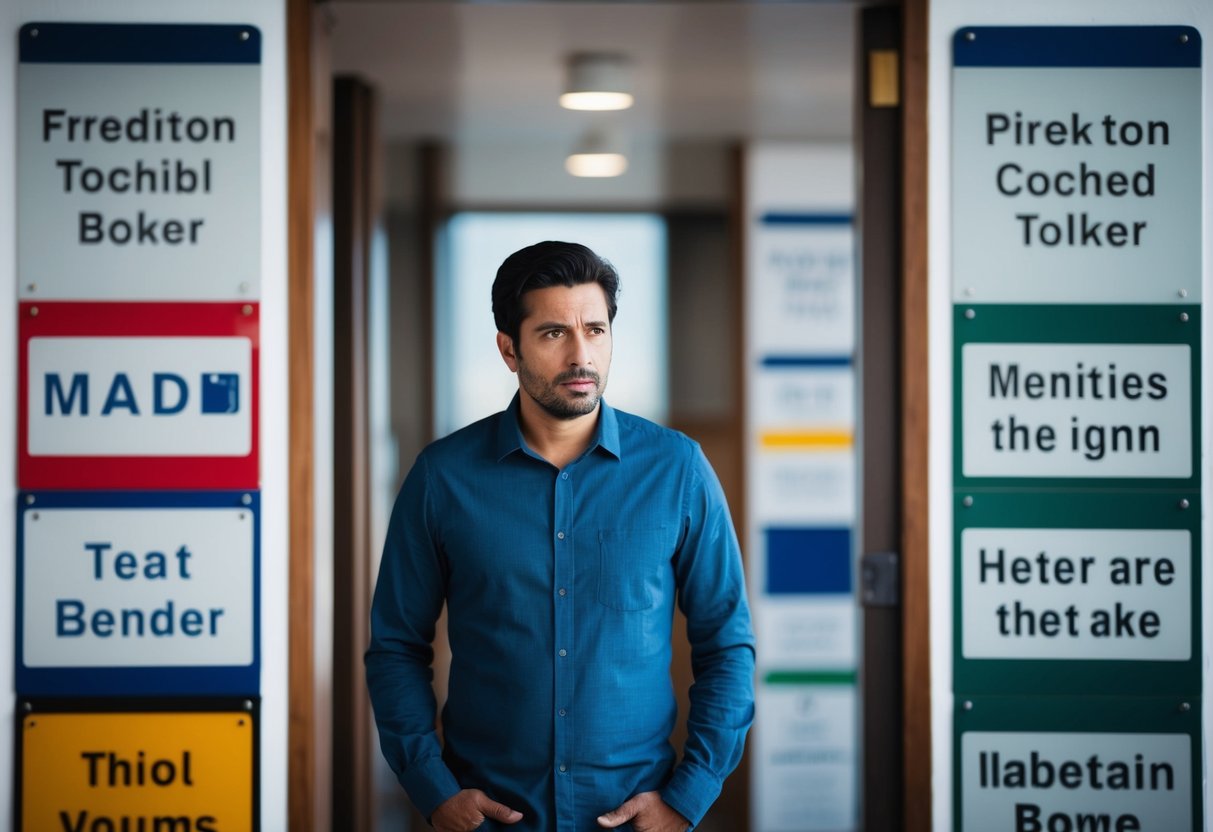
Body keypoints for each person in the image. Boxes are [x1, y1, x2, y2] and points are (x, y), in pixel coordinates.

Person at [366, 241, 755, 832]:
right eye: (553, 334)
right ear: (508, 349)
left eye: (595, 330)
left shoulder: (678, 471)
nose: (582, 355)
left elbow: (726, 643)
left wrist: (688, 796)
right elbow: (396, 645)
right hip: (489, 818)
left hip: (635, 817)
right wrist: (433, 789)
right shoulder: (443, 478)